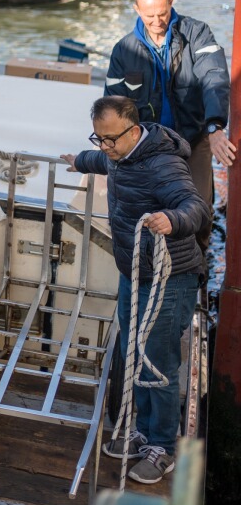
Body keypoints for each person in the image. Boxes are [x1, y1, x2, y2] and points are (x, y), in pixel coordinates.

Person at [62, 95, 208, 484]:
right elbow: (102, 162)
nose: (105, 146)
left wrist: (172, 219)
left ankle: (162, 447)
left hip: (169, 279)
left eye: (110, 139)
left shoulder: (163, 164)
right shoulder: (116, 153)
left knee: (156, 360)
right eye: (99, 138)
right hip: (134, 272)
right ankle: (142, 430)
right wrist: (79, 159)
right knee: (133, 351)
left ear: (134, 128)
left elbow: (195, 206)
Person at [104, 0, 233, 249]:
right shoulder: (123, 50)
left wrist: (215, 127)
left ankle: (197, 274)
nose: (157, 21)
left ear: (171, 3)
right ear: (137, 10)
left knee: (198, 212)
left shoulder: (197, 33)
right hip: (146, 148)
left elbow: (214, 77)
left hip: (193, 140)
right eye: (149, 14)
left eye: (162, 13)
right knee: (146, 215)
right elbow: (113, 106)